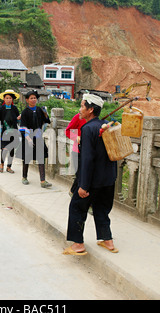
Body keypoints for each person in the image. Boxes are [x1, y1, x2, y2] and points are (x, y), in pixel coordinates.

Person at [64, 93, 118, 256]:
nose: (80, 109)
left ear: (90, 110)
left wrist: (83, 186)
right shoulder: (106, 126)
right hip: (108, 179)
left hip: (92, 181)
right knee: (101, 209)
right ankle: (108, 241)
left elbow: (87, 160)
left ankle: (78, 245)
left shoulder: (88, 129)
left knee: (77, 208)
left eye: (82, 106)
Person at [18, 90, 52, 188]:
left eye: (35, 98)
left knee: (41, 158)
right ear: (27, 100)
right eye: (31, 98)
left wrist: (45, 113)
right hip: (28, 137)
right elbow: (23, 127)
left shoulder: (39, 110)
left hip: (38, 136)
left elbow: (46, 121)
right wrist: (28, 139)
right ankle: (24, 177)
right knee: (26, 159)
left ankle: (43, 181)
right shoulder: (25, 112)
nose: (33, 100)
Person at [0, 89, 20, 173]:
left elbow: (18, 121)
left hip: (13, 132)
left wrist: (19, 119)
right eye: (7, 98)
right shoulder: (1, 109)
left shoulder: (15, 109)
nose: (8, 100)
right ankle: (1, 164)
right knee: (4, 149)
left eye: (10, 98)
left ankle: (9, 167)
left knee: (11, 150)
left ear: (12, 99)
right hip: (3, 132)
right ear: (4, 99)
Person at [65, 111, 86, 195]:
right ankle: (73, 192)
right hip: (77, 151)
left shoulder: (94, 120)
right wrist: (77, 137)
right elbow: (68, 131)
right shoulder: (78, 117)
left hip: (89, 151)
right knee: (80, 175)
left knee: (85, 175)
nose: (81, 109)